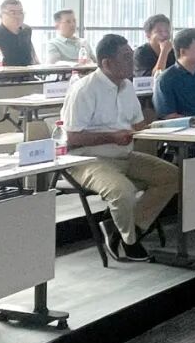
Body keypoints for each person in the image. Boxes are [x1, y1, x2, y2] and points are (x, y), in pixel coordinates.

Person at [60, 34, 178, 263]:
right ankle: (129, 241)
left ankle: (125, 228)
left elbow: (138, 126)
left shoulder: (127, 87)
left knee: (172, 176)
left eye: (131, 56)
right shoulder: (85, 89)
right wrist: (112, 137)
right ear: (107, 63)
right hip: (87, 160)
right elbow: (72, 138)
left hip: (124, 154)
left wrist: (166, 127)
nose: (132, 62)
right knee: (122, 191)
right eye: (126, 57)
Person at [0, 0, 38, 67]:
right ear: (1, 16)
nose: (18, 16)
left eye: (20, 12)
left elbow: (33, 58)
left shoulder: (26, 31)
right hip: (4, 73)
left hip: (27, 73)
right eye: (13, 13)